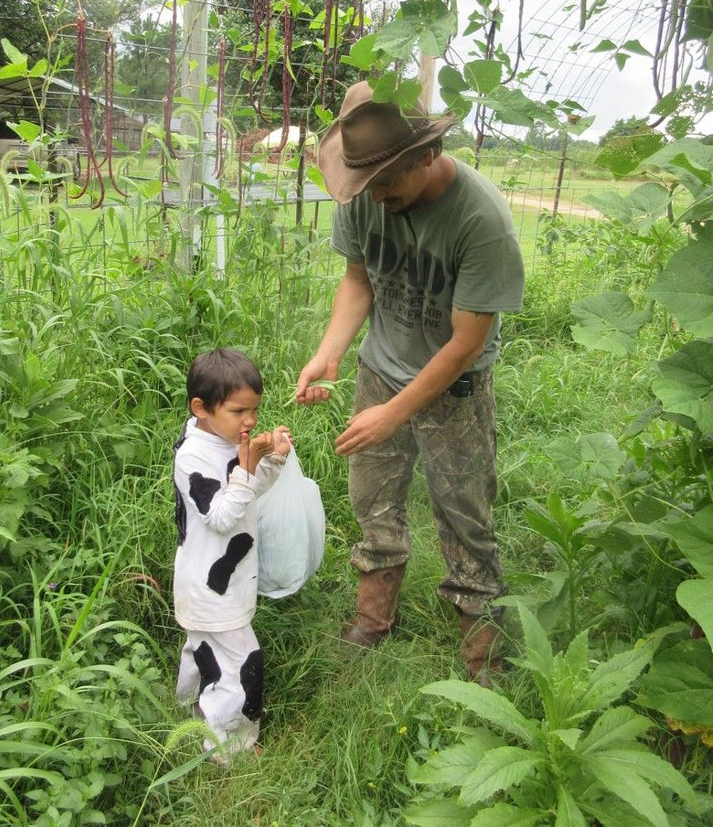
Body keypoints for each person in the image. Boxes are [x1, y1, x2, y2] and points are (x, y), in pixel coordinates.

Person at [296, 80, 524, 683]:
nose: (375, 196)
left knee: (465, 518)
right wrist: (330, 352)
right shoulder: (366, 192)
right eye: (365, 184)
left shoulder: (481, 220)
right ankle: (373, 619)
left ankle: (483, 659)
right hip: (380, 370)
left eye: (387, 182)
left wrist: (394, 413)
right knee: (374, 501)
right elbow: (358, 278)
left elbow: (466, 342)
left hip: (456, 390)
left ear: (428, 154)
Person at [173, 348, 291, 756]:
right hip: (210, 588)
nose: (251, 421)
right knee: (244, 662)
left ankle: (187, 708)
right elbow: (222, 516)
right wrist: (247, 463)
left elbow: (248, 492)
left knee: (202, 648)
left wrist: (271, 460)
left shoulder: (225, 441)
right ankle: (230, 749)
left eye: (255, 410)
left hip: (222, 582)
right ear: (201, 408)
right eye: (240, 411)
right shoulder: (193, 457)